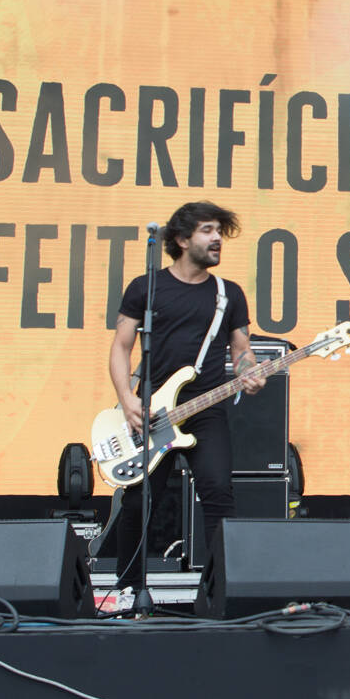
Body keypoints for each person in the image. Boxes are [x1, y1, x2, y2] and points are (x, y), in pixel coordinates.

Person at [104, 201, 264, 595]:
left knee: (218, 493)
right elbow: (121, 347)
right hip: (152, 413)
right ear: (180, 238)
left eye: (219, 233)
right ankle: (128, 589)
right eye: (207, 231)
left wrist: (250, 373)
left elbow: (241, 351)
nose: (216, 240)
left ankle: (218, 590)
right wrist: (127, 399)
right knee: (139, 501)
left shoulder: (229, 294)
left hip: (205, 409)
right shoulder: (146, 288)